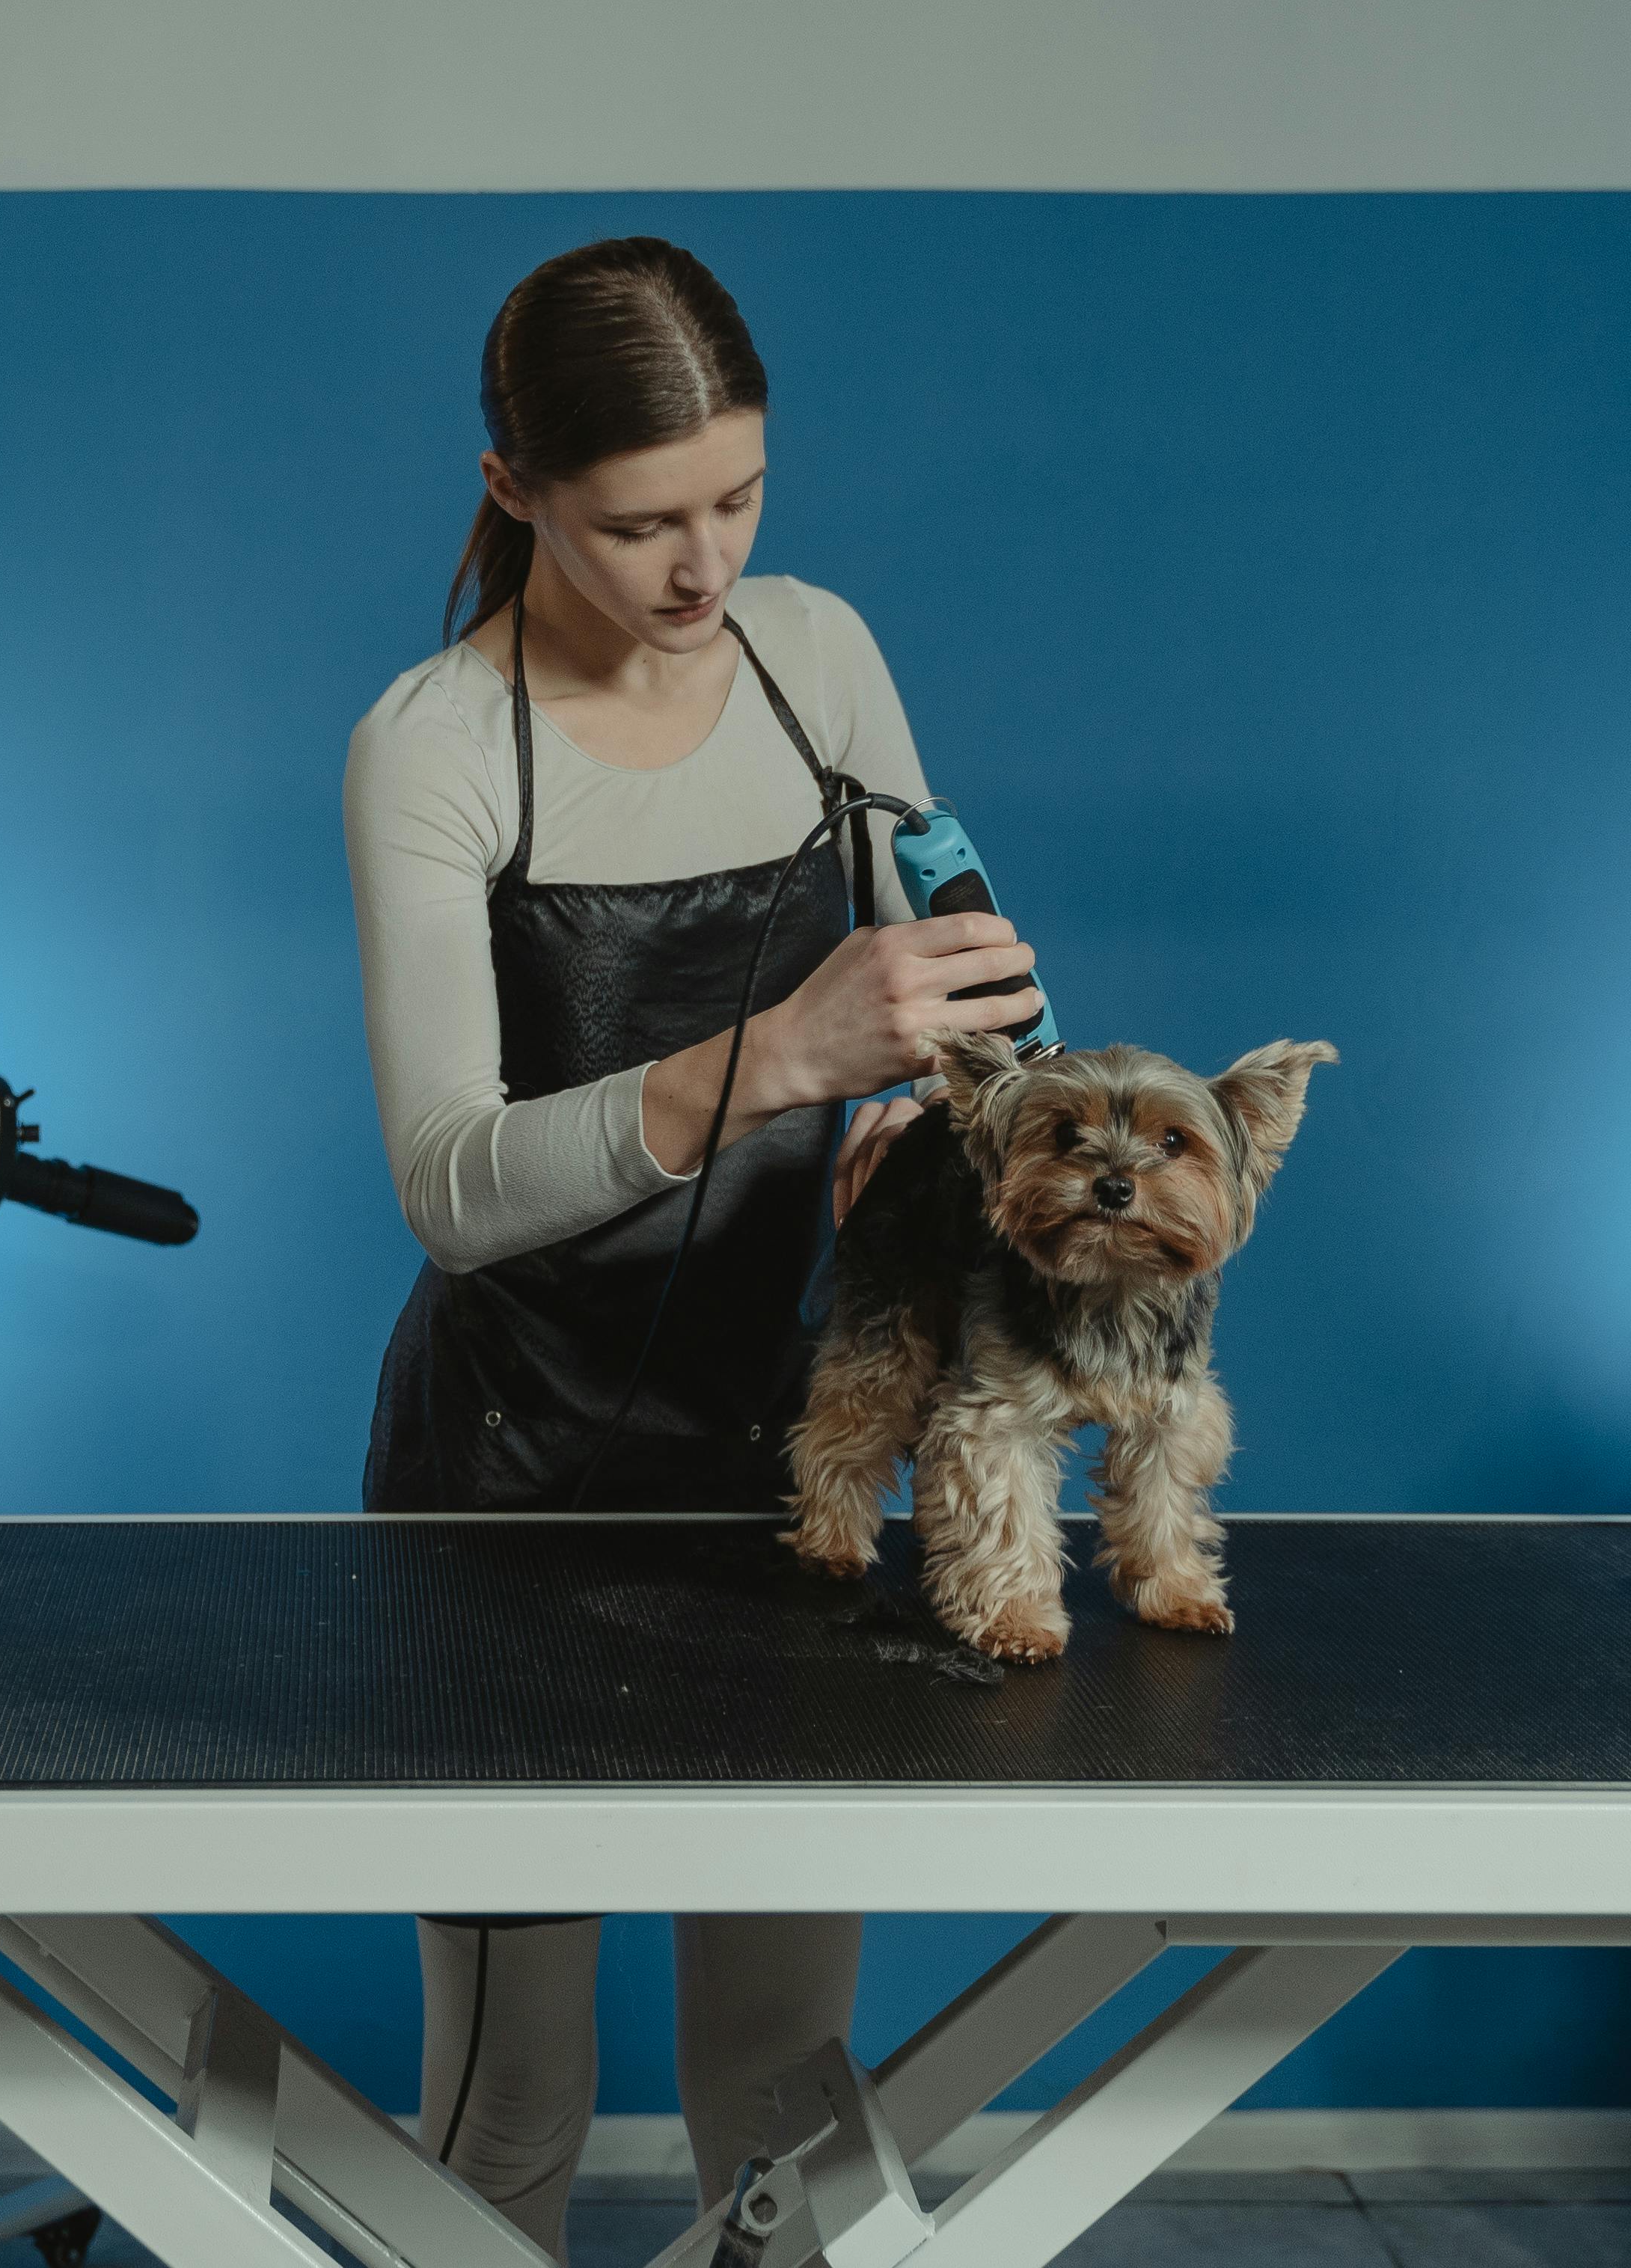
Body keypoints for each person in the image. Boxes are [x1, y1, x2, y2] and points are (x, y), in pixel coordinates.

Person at [343, 236, 1042, 2254]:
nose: (699, 564)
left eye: (737, 496)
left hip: (787, 1462)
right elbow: (452, 1186)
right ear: (512, 490)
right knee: (506, 2123)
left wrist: (919, 1117)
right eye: (640, 520)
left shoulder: (819, 655)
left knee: (782, 2123)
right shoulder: (438, 747)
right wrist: (782, 1053)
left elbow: (965, 986)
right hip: (509, 1488)